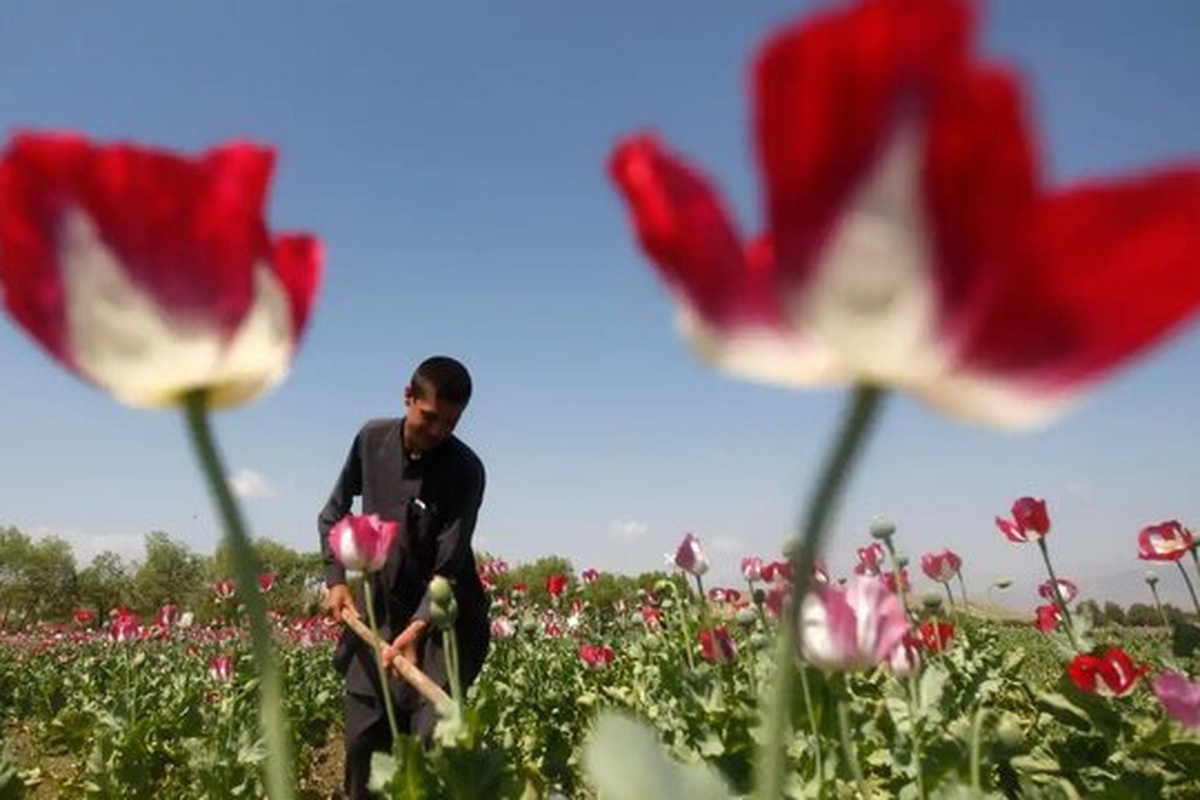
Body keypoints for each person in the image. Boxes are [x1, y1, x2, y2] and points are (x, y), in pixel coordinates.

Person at [318, 355, 490, 799]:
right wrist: (336, 578)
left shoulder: (465, 470)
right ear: (408, 397)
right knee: (362, 745)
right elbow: (333, 513)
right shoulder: (371, 439)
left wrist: (416, 629)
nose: (437, 432)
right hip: (378, 614)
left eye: (449, 424)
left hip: (441, 624)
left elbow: (447, 569)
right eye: (429, 417)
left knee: (427, 745)